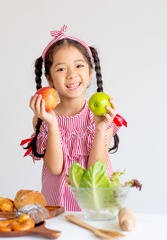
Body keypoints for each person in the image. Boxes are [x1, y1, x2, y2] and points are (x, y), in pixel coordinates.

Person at [21, 25, 126, 211]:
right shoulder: (43, 119)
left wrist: (101, 129)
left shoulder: (103, 116)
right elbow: (55, 168)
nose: (71, 74)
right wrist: (52, 123)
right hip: (58, 208)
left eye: (79, 66)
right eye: (61, 69)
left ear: (90, 72)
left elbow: (96, 170)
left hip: (95, 209)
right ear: (50, 79)